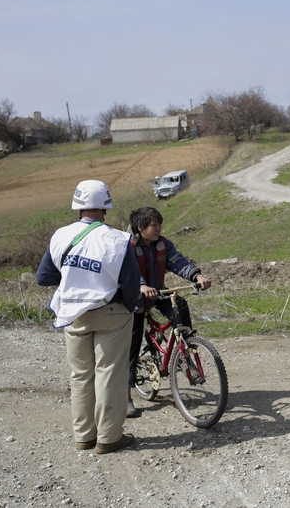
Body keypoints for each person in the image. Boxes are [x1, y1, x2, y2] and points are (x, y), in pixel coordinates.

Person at [36, 179, 140, 454]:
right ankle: (108, 438)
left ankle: (83, 436)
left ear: (77, 205)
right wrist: (131, 307)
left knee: (80, 375)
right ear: (106, 205)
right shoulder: (119, 240)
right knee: (109, 374)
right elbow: (131, 283)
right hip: (111, 313)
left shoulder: (60, 236)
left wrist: (73, 277)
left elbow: (43, 277)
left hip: (73, 314)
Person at [127, 206, 212, 417]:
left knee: (180, 305)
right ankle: (125, 394)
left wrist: (196, 276)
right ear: (140, 227)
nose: (158, 229)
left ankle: (185, 354)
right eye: (154, 225)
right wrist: (141, 285)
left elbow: (178, 262)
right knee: (131, 346)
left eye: (159, 225)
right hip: (134, 299)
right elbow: (127, 271)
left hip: (158, 293)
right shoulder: (126, 246)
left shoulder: (163, 244)